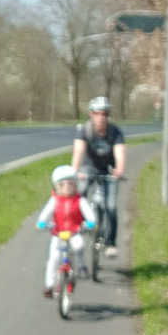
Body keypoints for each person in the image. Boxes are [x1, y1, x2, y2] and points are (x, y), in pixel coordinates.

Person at [70, 95, 126, 258]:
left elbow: (119, 153)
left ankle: (111, 243)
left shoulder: (115, 132)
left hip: (109, 170)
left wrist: (119, 170)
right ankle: (77, 228)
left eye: (104, 114)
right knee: (80, 193)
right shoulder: (85, 130)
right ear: (91, 114)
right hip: (89, 168)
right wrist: (74, 172)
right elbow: (78, 152)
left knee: (111, 206)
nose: (101, 117)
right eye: (97, 114)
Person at [36, 165, 97, 297]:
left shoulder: (79, 200)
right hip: (58, 233)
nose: (67, 187)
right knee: (53, 258)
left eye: (70, 184)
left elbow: (89, 213)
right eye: (62, 185)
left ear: (75, 185)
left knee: (78, 245)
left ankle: (80, 266)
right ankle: (49, 285)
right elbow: (45, 213)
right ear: (57, 187)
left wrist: (90, 222)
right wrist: (42, 223)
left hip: (74, 231)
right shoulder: (54, 200)